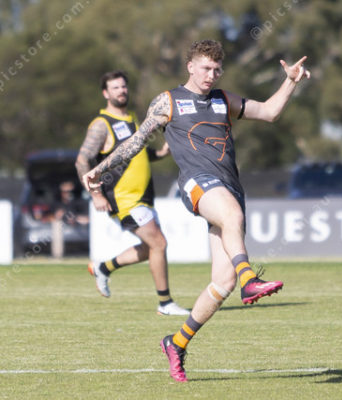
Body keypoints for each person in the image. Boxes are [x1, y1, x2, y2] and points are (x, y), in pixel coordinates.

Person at [81, 40, 310, 382]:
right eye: (205, 68)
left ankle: (176, 343)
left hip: (229, 187)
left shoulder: (223, 100)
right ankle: (250, 279)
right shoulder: (169, 101)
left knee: (222, 282)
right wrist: (101, 169)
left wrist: (290, 81)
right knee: (232, 217)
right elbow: (136, 142)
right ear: (190, 66)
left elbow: (269, 112)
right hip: (197, 184)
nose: (211, 75)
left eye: (217, 70)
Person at [76, 70, 189, 316]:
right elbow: (82, 160)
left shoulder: (133, 119)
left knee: (150, 248)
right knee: (159, 243)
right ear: (105, 93)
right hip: (123, 199)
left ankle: (103, 268)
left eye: (123, 86)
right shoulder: (101, 124)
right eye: (115, 87)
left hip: (143, 198)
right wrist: (95, 194)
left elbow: (137, 154)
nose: (121, 91)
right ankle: (165, 303)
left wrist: (161, 154)